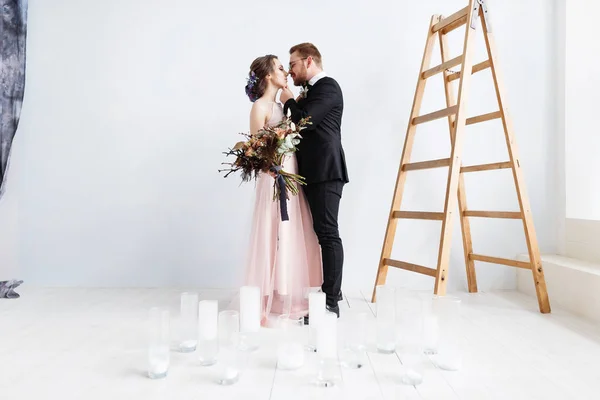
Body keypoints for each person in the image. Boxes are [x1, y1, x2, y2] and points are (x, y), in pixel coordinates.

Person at [242, 55, 323, 327]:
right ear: (267, 76)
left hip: (290, 178)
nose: (286, 71)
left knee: (289, 234)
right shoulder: (260, 106)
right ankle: (263, 300)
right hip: (274, 179)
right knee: (270, 233)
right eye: (279, 68)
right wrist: (273, 166)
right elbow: (255, 153)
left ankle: (285, 294)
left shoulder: (281, 107)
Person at [280, 43, 349, 320]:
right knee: (321, 233)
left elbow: (304, 123)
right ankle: (329, 294)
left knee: (328, 233)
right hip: (312, 172)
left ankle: (331, 302)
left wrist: (288, 100)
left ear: (309, 61)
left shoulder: (328, 87)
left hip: (326, 172)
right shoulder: (310, 92)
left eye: (293, 64)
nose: (291, 70)